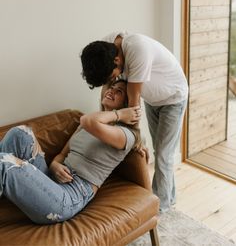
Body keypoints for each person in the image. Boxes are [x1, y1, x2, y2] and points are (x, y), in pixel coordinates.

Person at [0, 80, 141, 224]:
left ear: (127, 106)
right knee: (19, 133)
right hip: (51, 180)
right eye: (112, 87)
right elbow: (62, 155)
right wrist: (55, 166)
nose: (111, 91)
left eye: (119, 92)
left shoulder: (127, 135)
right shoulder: (89, 123)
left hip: (69, 197)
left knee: (4, 163)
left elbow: (88, 121)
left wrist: (120, 114)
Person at [81, 31, 188, 212]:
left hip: (173, 98)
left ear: (117, 61)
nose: (114, 81)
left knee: (163, 155)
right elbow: (107, 88)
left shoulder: (138, 50)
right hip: (153, 99)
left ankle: (160, 209)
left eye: (112, 76)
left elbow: (133, 100)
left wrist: (135, 139)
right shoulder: (105, 49)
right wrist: (105, 122)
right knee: (161, 151)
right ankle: (171, 197)